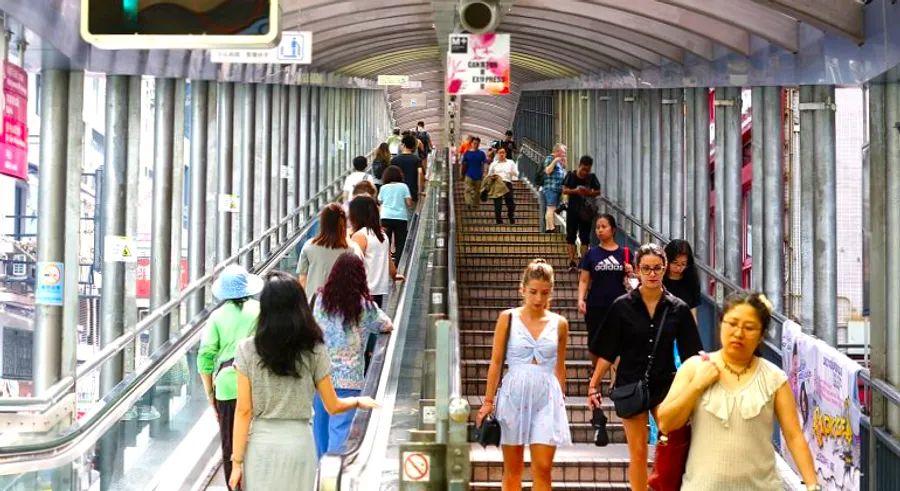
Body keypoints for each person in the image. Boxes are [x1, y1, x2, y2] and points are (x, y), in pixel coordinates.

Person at [228, 271, 378, 491]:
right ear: (300, 307)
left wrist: (237, 462)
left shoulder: (247, 349)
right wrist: (357, 401)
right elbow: (333, 405)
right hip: (299, 445)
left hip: (262, 446)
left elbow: (243, 411)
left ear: (265, 308)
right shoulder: (314, 349)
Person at [656, 292, 819, 491]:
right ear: (721, 324)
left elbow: (794, 436)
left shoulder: (774, 378)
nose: (739, 333)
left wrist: (812, 485)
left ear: (761, 335)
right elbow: (666, 422)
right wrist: (697, 385)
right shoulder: (694, 368)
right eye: (732, 324)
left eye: (749, 328)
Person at [586, 243, 702, 491]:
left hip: (665, 384)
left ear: (665, 269)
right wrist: (594, 384)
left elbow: (693, 354)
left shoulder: (677, 308)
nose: (652, 274)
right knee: (637, 452)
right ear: (637, 270)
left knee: (671, 442)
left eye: (657, 268)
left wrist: (698, 387)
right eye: (646, 268)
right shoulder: (621, 306)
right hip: (631, 383)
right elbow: (608, 350)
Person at [476, 259, 572, 490]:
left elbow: (560, 365)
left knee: (543, 468)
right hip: (513, 396)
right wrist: (488, 402)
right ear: (522, 289)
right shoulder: (507, 318)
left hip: (547, 398)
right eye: (533, 292)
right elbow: (496, 362)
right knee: (513, 470)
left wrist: (562, 397)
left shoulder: (560, 323)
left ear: (551, 292)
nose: (539, 298)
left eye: (544, 293)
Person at [311, 253, 393, 458]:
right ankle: (334, 473)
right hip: (350, 378)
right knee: (340, 429)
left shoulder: (320, 299)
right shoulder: (364, 305)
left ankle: (320, 473)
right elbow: (386, 325)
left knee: (319, 429)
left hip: (320, 376)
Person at [198, 265, 263, 490]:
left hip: (226, 386)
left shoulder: (217, 317)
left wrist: (210, 394)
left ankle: (234, 486)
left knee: (230, 444)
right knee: (256, 439)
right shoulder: (260, 310)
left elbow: (205, 358)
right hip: (257, 383)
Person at [577, 214, 634, 362]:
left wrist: (631, 271)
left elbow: (636, 280)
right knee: (595, 341)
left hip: (620, 304)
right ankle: (595, 374)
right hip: (596, 304)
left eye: (604, 227)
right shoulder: (591, 253)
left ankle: (615, 379)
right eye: (597, 227)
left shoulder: (625, 253)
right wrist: (581, 299)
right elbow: (584, 280)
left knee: (619, 340)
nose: (600, 230)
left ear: (613, 229)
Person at [349, 195, 403, 307]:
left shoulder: (360, 236)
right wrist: (394, 275)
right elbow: (389, 263)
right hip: (378, 291)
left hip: (362, 292)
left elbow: (353, 266)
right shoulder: (382, 235)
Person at [297, 203, 361, 298]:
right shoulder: (352, 249)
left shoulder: (309, 246)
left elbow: (303, 279)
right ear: (343, 222)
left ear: (322, 223)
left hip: (315, 304)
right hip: (342, 304)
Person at [562, 155, 601, 271]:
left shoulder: (591, 177)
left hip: (586, 213)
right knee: (570, 236)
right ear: (579, 166)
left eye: (587, 170)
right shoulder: (571, 175)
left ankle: (583, 263)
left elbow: (598, 191)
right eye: (583, 169)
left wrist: (588, 192)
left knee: (585, 238)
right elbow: (564, 189)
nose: (585, 172)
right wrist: (576, 191)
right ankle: (571, 262)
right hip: (572, 211)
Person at [378, 165, 414, 263]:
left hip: (385, 217)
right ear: (399, 175)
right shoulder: (403, 186)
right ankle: (398, 265)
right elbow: (409, 203)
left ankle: (386, 264)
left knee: (385, 242)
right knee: (400, 243)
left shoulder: (383, 187)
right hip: (401, 218)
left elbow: (380, 201)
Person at [663, 239, 701, 319]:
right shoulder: (659, 277)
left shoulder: (691, 279)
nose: (678, 268)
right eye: (675, 263)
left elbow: (692, 311)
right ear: (667, 260)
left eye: (683, 264)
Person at [486, 147, 518, 224]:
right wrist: (492, 177)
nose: (501, 154)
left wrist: (512, 173)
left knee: (510, 203)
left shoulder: (510, 162)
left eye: (503, 152)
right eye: (500, 153)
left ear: (505, 154)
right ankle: (499, 221)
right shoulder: (494, 164)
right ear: (497, 154)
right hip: (497, 183)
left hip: (507, 183)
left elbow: (516, 173)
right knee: (497, 204)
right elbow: (489, 175)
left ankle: (510, 215)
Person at [541, 144, 568, 233]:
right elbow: (548, 171)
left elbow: (561, 172)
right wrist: (555, 161)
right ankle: (552, 228)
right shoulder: (550, 158)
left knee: (553, 208)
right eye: (563, 152)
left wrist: (563, 163)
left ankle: (549, 228)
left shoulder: (559, 161)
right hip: (551, 188)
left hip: (557, 188)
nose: (564, 154)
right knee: (551, 208)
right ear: (557, 151)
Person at [391, 134, 423, 203]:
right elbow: (420, 173)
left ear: (404, 145)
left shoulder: (394, 160)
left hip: (398, 194)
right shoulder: (416, 159)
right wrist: (420, 191)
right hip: (412, 192)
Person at [460, 137, 489, 208]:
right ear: (471, 144)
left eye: (477, 143)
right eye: (474, 143)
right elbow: (463, 164)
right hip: (469, 174)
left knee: (477, 191)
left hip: (478, 175)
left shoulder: (481, 153)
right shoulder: (467, 153)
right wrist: (461, 173)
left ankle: (475, 204)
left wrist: (485, 172)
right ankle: (469, 203)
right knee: (467, 189)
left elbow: (485, 163)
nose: (476, 145)